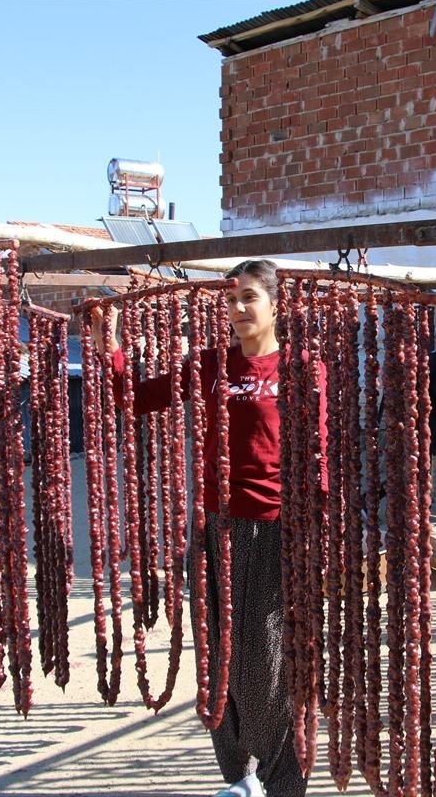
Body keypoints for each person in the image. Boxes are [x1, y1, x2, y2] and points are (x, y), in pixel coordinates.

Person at [91, 259, 323, 797]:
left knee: (263, 663)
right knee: (217, 655)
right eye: (232, 299)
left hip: (274, 530)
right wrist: (111, 346)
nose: (238, 309)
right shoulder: (213, 364)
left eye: (249, 298)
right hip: (216, 527)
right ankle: (239, 777)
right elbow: (136, 400)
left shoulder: (301, 368)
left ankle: (284, 781)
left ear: (274, 304)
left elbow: (321, 451)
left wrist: (317, 528)